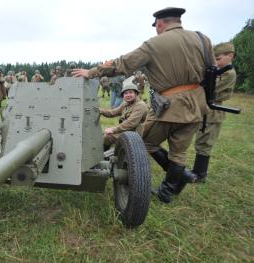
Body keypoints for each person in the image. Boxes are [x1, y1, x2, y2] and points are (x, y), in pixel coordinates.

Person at [73, 7, 213, 203]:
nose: (156, 29)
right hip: (197, 104)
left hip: (170, 106)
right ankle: (168, 192)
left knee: (145, 142)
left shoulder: (154, 44)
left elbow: (123, 63)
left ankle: (175, 179)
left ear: (160, 23)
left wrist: (92, 72)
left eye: (156, 26)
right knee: (179, 151)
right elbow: (212, 71)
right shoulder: (202, 39)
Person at [191, 42, 237, 182]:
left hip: (214, 112)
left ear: (230, 56)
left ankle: (200, 175)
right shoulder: (218, 71)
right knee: (200, 141)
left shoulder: (229, 73)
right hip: (206, 110)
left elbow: (211, 88)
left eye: (218, 58)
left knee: (205, 143)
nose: (216, 62)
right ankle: (197, 172)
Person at [101, 83, 148, 149]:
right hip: (127, 130)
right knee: (104, 134)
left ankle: (103, 154)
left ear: (136, 94)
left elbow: (131, 123)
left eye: (130, 92)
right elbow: (112, 113)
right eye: (125, 93)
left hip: (135, 133)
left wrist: (113, 129)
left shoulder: (140, 105)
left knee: (108, 137)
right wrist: (100, 110)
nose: (128, 95)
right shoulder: (126, 104)